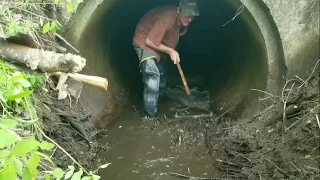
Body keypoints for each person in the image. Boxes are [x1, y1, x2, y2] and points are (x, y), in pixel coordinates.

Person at [132, 0, 200, 119]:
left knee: (162, 71)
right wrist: (170, 51)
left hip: (159, 41)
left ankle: (160, 98)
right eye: (188, 15)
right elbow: (150, 41)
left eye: (192, 16)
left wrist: (171, 48)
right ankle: (149, 115)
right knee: (153, 75)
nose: (190, 19)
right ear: (179, 10)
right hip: (145, 41)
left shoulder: (182, 20)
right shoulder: (166, 19)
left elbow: (174, 34)